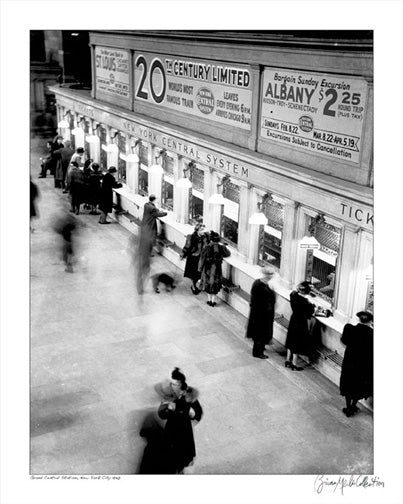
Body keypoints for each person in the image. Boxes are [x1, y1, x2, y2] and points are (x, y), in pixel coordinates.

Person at [157, 368, 203, 474]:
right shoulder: (170, 397)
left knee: (182, 455)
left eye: (174, 384)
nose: (171, 386)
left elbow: (197, 413)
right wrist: (167, 408)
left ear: (181, 384)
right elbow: (161, 414)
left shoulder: (189, 397)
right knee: (170, 455)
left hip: (184, 430)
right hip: (172, 428)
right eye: (171, 384)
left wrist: (191, 414)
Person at [339, 311, 373, 417]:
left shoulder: (349, 328)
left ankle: (348, 407)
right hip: (363, 365)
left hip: (349, 363)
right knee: (358, 386)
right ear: (370, 321)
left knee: (348, 384)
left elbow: (343, 341)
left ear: (359, 319)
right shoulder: (372, 335)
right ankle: (353, 406)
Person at [246, 266, 276, 359]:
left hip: (264, 314)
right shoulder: (259, 285)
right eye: (270, 274)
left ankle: (261, 348)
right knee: (259, 333)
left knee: (262, 333)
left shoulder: (262, 283)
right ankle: (257, 352)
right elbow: (258, 301)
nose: (271, 276)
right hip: (260, 314)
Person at [285, 281, 315, 371]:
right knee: (297, 343)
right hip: (301, 323)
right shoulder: (305, 302)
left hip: (293, 319)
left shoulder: (293, 295)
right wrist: (311, 303)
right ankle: (294, 364)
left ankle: (287, 360)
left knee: (290, 340)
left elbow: (294, 292)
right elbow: (310, 312)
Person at [198, 231, 230, 307]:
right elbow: (227, 253)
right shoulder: (221, 247)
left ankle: (209, 300)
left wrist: (200, 268)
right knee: (214, 284)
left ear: (211, 240)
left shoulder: (207, 247)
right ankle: (213, 301)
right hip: (217, 268)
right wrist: (224, 246)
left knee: (208, 283)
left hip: (208, 268)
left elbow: (202, 258)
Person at [180, 223, 207, 295]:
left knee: (198, 274)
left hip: (200, 258)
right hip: (193, 257)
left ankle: (194, 285)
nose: (203, 231)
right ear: (197, 230)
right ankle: (193, 286)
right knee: (193, 274)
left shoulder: (205, 237)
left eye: (204, 229)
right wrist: (183, 254)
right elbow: (187, 246)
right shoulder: (192, 237)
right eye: (201, 230)